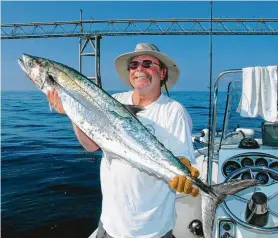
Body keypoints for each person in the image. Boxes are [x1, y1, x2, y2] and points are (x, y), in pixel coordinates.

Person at [47, 43, 200, 238]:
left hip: (152, 230)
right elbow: (91, 145)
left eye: (147, 63)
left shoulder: (173, 111)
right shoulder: (113, 101)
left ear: (162, 73)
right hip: (111, 224)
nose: (139, 69)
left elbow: (182, 157)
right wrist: (72, 112)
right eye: (134, 65)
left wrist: (184, 167)